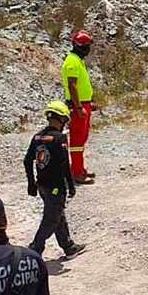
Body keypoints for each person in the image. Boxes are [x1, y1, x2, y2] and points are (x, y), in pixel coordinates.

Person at [24, 101, 87, 260]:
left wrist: (31, 183)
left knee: (57, 214)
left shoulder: (38, 136)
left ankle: (68, 246)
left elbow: (27, 161)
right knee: (51, 219)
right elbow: (64, 165)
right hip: (56, 187)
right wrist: (70, 186)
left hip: (42, 186)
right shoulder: (60, 138)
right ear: (63, 119)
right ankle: (35, 249)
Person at [62, 30, 96, 185]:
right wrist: (79, 107)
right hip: (78, 106)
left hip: (84, 104)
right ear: (78, 46)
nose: (88, 49)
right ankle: (76, 172)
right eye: (86, 46)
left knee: (82, 138)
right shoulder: (72, 61)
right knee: (77, 139)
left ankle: (79, 168)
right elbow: (72, 86)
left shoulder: (78, 60)